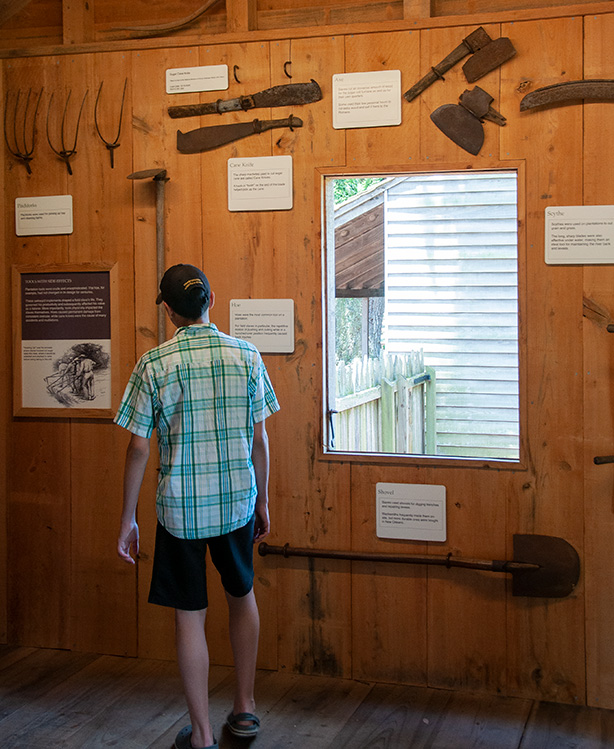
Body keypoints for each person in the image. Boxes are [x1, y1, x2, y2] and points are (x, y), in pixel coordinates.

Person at [114, 263, 280, 749]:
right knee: (241, 595)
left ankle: (203, 737)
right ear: (212, 299)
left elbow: (139, 447)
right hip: (236, 504)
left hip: (181, 511)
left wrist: (128, 519)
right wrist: (263, 500)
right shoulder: (247, 355)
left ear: (167, 311)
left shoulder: (154, 364)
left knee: (189, 614)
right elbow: (260, 438)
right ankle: (245, 708)